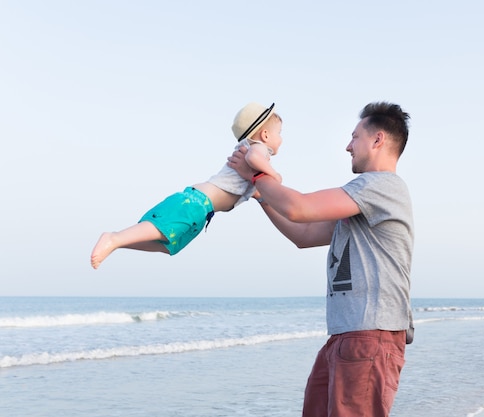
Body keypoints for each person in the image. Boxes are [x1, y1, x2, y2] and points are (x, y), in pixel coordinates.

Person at [228, 101, 414, 417]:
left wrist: (257, 173)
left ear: (378, 139)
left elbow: (300, 207)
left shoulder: (380, 186)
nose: (347, 146)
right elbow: (305, 234)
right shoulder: (360, 202)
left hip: (370, 335)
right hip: (346, 336)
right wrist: (261, 196)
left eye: (355, 137)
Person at [90, 102, 283, 269]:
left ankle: (118, 242)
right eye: (280, 133)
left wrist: (259, 193)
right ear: (265, 135)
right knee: (162, 229)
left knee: (168, 244)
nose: (281, 139)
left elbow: (253, 187)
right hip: (198, 202)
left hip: (203, 207)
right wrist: (273, 175)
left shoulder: (251, 155)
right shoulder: (257, 149)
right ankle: (114, 238)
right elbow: (253, 157)